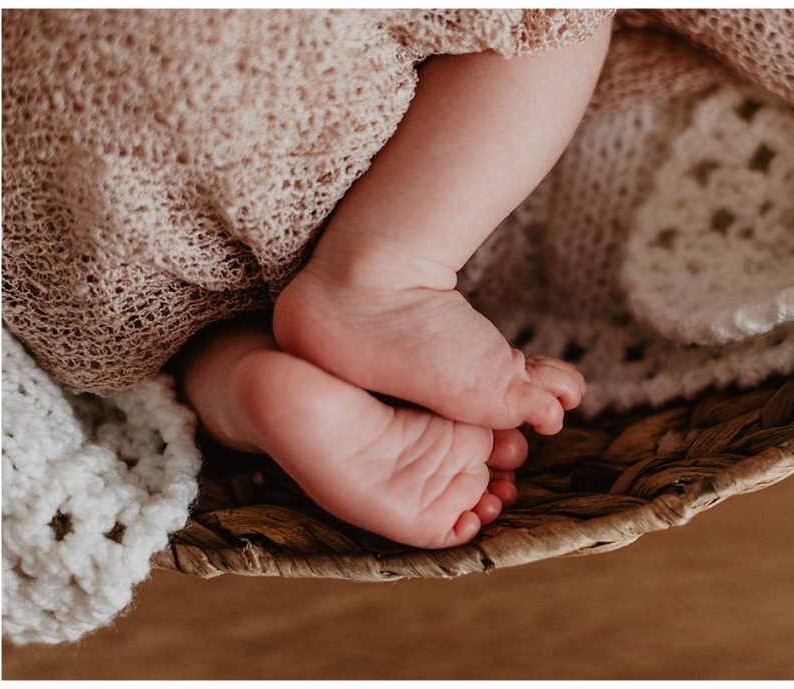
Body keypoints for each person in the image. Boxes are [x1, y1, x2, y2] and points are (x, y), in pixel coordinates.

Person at [176, 16, 613, 549]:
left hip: (128, 193)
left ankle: (245, 380)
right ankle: (380, 277)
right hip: (247, 70)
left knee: (176, 328)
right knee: (554, 21)